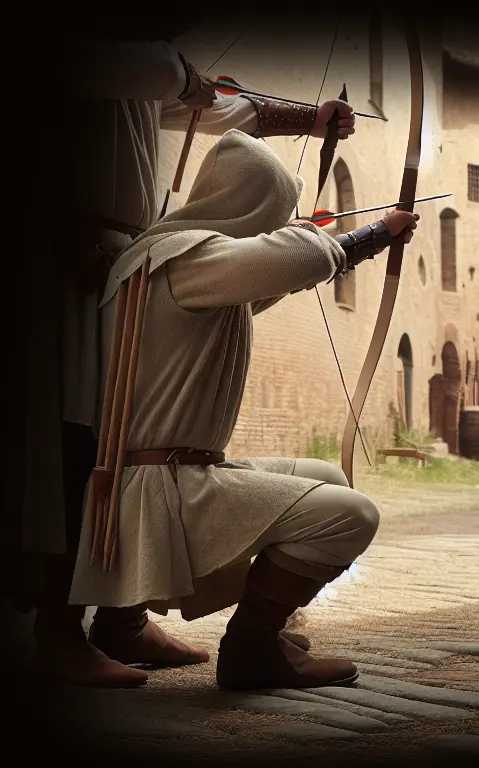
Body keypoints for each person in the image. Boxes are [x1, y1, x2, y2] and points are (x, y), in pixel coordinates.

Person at [13, 32, 358, 688]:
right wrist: (180, 75)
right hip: (63, 252)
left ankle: (120, 620)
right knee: (79, 441)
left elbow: (213, 105)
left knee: (116, 434)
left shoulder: (150, 73)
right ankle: (57, 632)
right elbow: (139, 69)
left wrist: (308, 120)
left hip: (111, 254)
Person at [69, 128, 416, 690]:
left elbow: (275, 278)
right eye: (274, 211)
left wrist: (371, 240)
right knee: (351, 515)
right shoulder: (185, 259)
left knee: (327, 479)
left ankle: (121, 625)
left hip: (163, 476)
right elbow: (295, 257)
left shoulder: (169, 262)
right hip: (162, 488)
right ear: (251, 204)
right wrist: (348, 233)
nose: (279, 223)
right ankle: (252, 648)